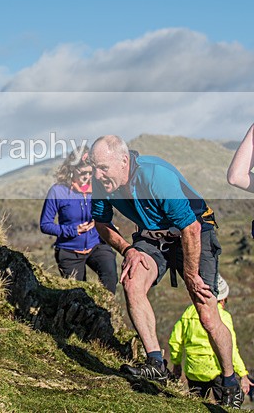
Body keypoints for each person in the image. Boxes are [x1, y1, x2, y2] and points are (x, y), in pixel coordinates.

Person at [89, 135, 243, 407]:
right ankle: (155, 363)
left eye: (103, 167)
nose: (98, 175)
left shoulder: (155, 176)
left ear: (123, 161)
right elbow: (101, 223)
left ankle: (230, 381)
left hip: (194, 231)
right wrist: (128, 250)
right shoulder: (101, 183)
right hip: (152, 236)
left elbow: (190, 228)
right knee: (132, 281)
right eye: (95, 167)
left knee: (206, 312)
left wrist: (192, 275)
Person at [39, 146, 117, 293]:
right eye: (82, 173)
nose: (87, 178)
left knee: (110, 275)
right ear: (71, 169)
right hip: (69, 251)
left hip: (96, 245)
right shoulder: (58, 191)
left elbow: (104, 214)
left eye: (90, 173)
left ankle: (107, 312)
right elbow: (45, 225)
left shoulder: (98, 189)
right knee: (78, 295)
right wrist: (72, 230)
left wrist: (108, 226)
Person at [169, 276, 251, 403]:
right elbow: (231, 349)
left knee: (195, 404)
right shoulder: (223, 317)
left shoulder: (189, 313)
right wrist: (243, 374)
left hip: (193, 371)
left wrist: (176, 363)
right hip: (217, 370)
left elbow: (175, 341)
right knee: (224, 405)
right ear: (222, 300)